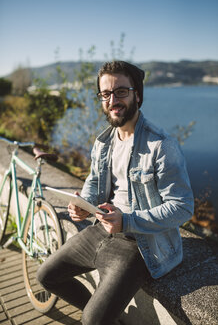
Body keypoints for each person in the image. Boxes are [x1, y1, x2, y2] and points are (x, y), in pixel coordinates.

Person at [37, 61, 194, 325]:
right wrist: (83, 203)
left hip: (140, 244)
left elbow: (182, 206)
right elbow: (94, 181)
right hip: (102, 229)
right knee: (46, 276)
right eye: (105, 94)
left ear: (138, 95)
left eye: (121, 91)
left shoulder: (161, 145)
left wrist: (127, 221)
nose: (113, 100)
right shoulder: (103, 142)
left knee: (91, 321)